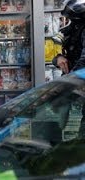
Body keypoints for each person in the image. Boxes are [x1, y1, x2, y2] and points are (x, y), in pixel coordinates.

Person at [52, 0, 85, 138]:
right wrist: (58, 58)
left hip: (79, 84)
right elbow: (65, 56)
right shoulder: (75, 29)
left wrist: (69, 81)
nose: (69, 23)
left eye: (72, 19)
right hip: (76, 84)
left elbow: (84, 60)